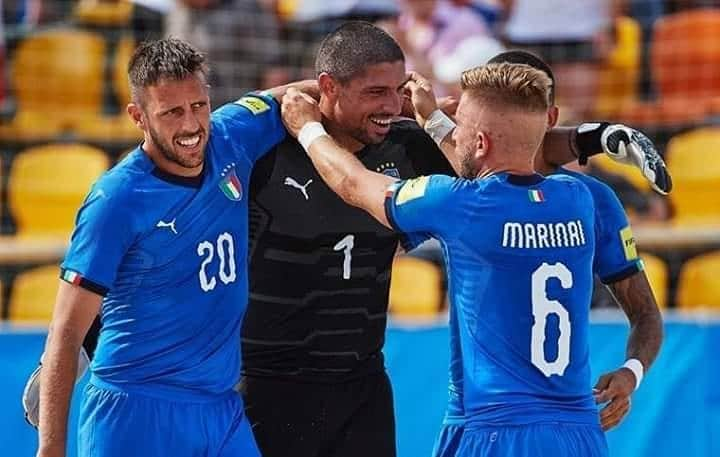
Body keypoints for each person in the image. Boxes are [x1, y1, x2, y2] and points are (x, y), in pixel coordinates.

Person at [25, 22, 671, 457]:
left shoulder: (409, 147)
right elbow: (166, 258)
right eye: (374, 93)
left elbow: (509, 150)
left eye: (399, 89)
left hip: (362, 384)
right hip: (265, 384)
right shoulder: (261, 150)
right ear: (327, 89)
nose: (392, 105)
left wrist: (591, 137)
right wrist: (78, 353)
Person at [282, 61, 612, 456]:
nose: (452, 130)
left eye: (462, 125)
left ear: (481, 143)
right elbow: (498, 163)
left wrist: (308, 129)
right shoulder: (577, 199)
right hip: (579, 433)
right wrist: (432, 118)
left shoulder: (460, 203)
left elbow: (353, 183)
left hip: (493, 429)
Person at [34, 38, 303, 457]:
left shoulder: (230, 138)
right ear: (138, 117)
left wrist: (391, 97)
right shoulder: (116, 200)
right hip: (135, 413)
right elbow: (66, 333)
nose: (192, 125)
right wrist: (50, 449)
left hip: (220, 408)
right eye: (172, 112)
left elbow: (289, 97)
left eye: (198, 106)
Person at [426, 50, 664, 457]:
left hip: (492, 424)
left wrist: (632, 371)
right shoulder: (469, 185)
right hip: (503, 424)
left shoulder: (463, 195)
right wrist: (600, 136)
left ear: (549, 117)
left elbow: (645, 313)